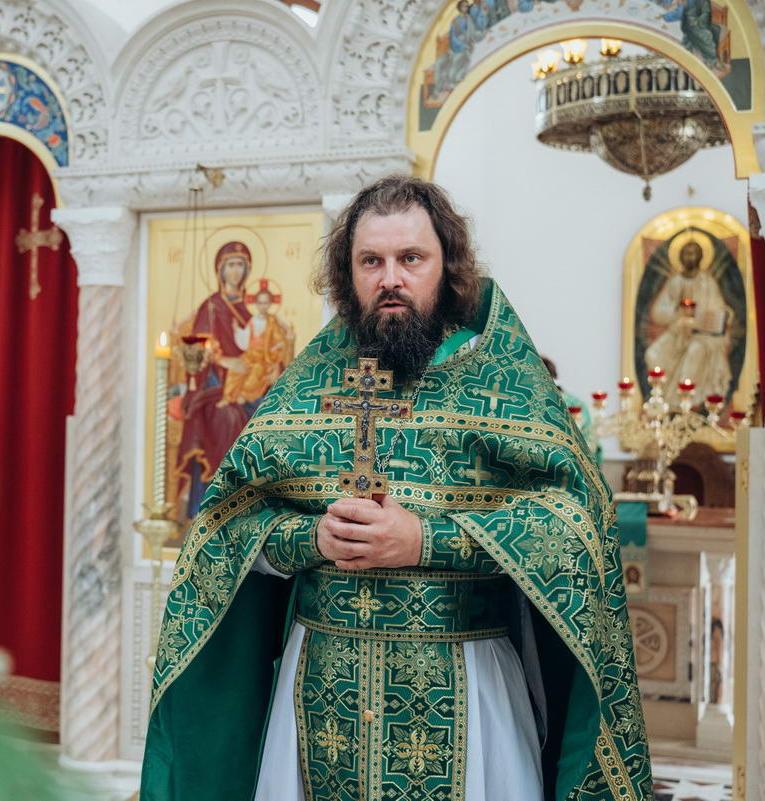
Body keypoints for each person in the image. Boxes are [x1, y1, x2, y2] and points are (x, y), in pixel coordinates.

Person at [141, 176, 650, 801]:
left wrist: (426, 540)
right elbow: (226, 528)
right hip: (319, 692)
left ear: (448, 266)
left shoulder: (501, 377)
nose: (391, 279)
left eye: (411, 258)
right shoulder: (307, 385)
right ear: (348, 272)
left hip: (467, 685)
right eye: (371, 261)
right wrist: (312, 538)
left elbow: (573, 527)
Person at [174, 241, 257, 522]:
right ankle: (212, 506)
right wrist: (226, 363)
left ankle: (252, 506)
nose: (235, 271)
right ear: (220, 270)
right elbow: (197, 354)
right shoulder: (211, 307)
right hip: (213, 389)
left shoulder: (250, 309)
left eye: (240, 265)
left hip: (248, 386)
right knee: (229, 417)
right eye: (230, 265)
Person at [643, 236, 732, 407]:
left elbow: (718, 310)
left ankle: (684, 405)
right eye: (686, 253)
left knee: (694, 352)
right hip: (678, 332)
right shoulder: (675, 282)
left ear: (700, 257)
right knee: (652, 354)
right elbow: (658, 312)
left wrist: (705, 317)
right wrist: (678, 313)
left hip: (702, 336)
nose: (689, 257)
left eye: (693, 253)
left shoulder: (707, 283)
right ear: (680, 257)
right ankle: (665, 403)